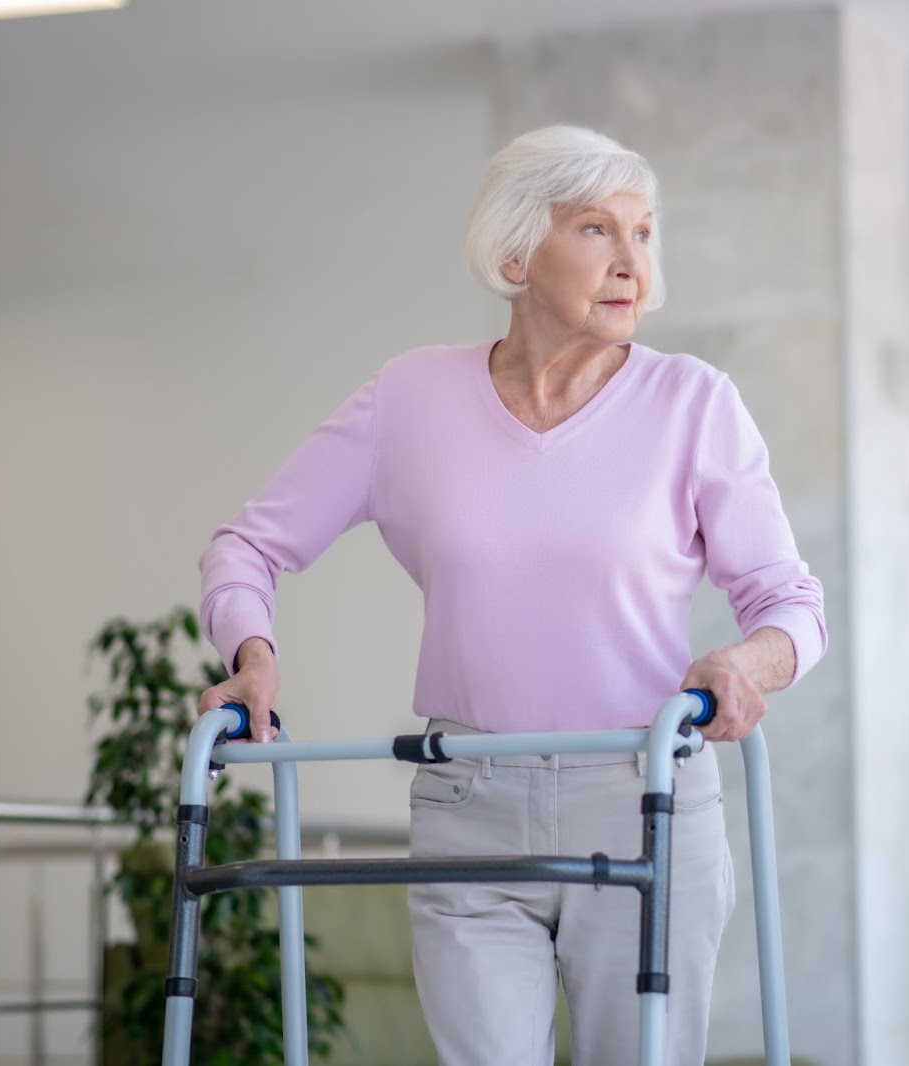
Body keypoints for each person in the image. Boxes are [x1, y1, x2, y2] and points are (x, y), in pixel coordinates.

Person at [195, 124, 826, 1066]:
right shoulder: (409, 399)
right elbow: (247, 545)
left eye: (645, 234)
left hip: (643, 794)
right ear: (515, 253)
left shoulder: (694, 404)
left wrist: (745, 661)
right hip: (469, 806)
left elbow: (792, 604)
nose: (632, 264)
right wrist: (253, 656)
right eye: (597, 231)